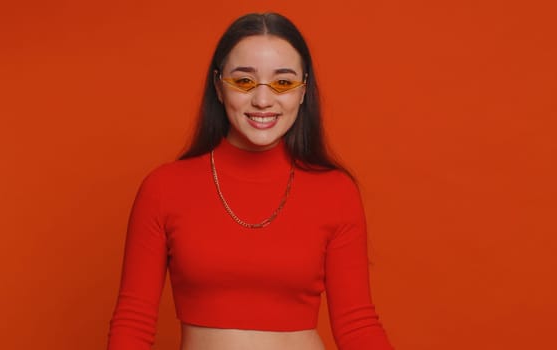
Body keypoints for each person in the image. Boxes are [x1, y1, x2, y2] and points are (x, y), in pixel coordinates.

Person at [107, 12, 394, 350]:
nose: (262, 99)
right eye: (244, 81)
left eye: (283, 82)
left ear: (303, 92)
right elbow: (133, 322)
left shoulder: (335, 191)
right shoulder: (164, 188)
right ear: (218, 86)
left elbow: (357, 325)